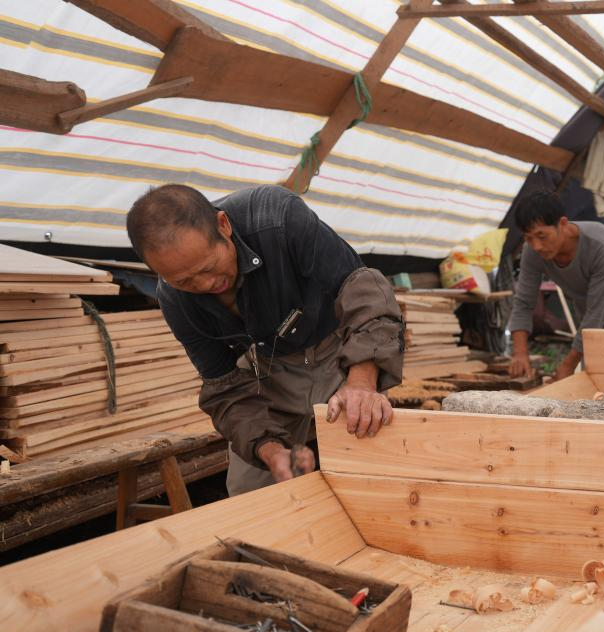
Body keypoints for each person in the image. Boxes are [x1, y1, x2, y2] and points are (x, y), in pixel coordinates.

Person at [126, 184, 404, 495]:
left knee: (372, 468)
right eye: (185, 281)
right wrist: (272, 452)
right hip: (268, 370)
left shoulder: (277, 217)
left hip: (341, 352)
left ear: (223, 225)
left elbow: (363, 292)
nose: (207, 285)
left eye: (208, 267)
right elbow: (224, 387)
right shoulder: (174, 299)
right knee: (250, 489)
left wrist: (362, 383)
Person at [507, 190, 604, 380]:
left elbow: (596, 312)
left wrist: (569, 364)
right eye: (528, 238)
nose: (536, 246)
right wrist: (520, 353)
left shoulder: (602, 245)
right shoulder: (532, 252)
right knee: (592, 378)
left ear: (563, 224)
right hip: (590, 312)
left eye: (542, 236)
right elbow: (524, 302)